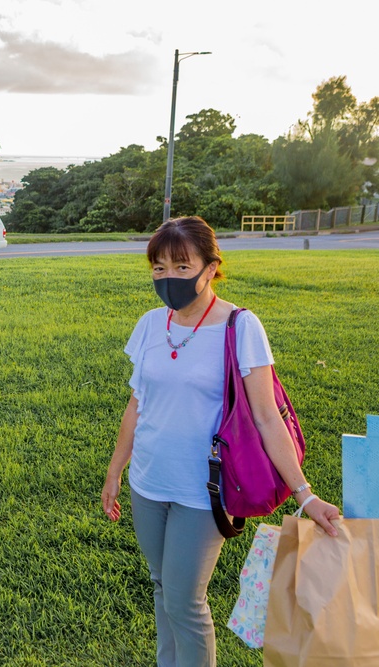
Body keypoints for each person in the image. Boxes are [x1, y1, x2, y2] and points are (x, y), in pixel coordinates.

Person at [101, 216, 340, 667]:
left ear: (211, 268)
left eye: (181, 266)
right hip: (148, 481)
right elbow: (137, 404)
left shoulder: (240, 326)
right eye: (158, 269)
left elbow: (268, 418)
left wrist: (305, 496)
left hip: (204, 490)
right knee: (161, 586)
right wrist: (116, 471)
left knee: (186, 602)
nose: (168, 278)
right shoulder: (151, 324)